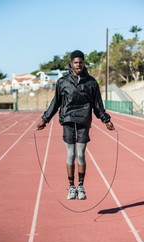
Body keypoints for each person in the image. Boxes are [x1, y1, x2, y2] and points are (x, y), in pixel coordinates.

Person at [37, 50, 114, 200]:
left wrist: (106, 120)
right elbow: (56, 102)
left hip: (84, 121)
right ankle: (71, 187)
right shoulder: (62, 82)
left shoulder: (91, 82)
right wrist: (45, 119)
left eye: (80, 62)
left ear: (84, 63)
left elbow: (97, 104)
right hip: (68, 121)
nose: (78, 64)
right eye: (75, 62)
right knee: (70, 154)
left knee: (81, 155)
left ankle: (81, 186)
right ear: (71, 64)